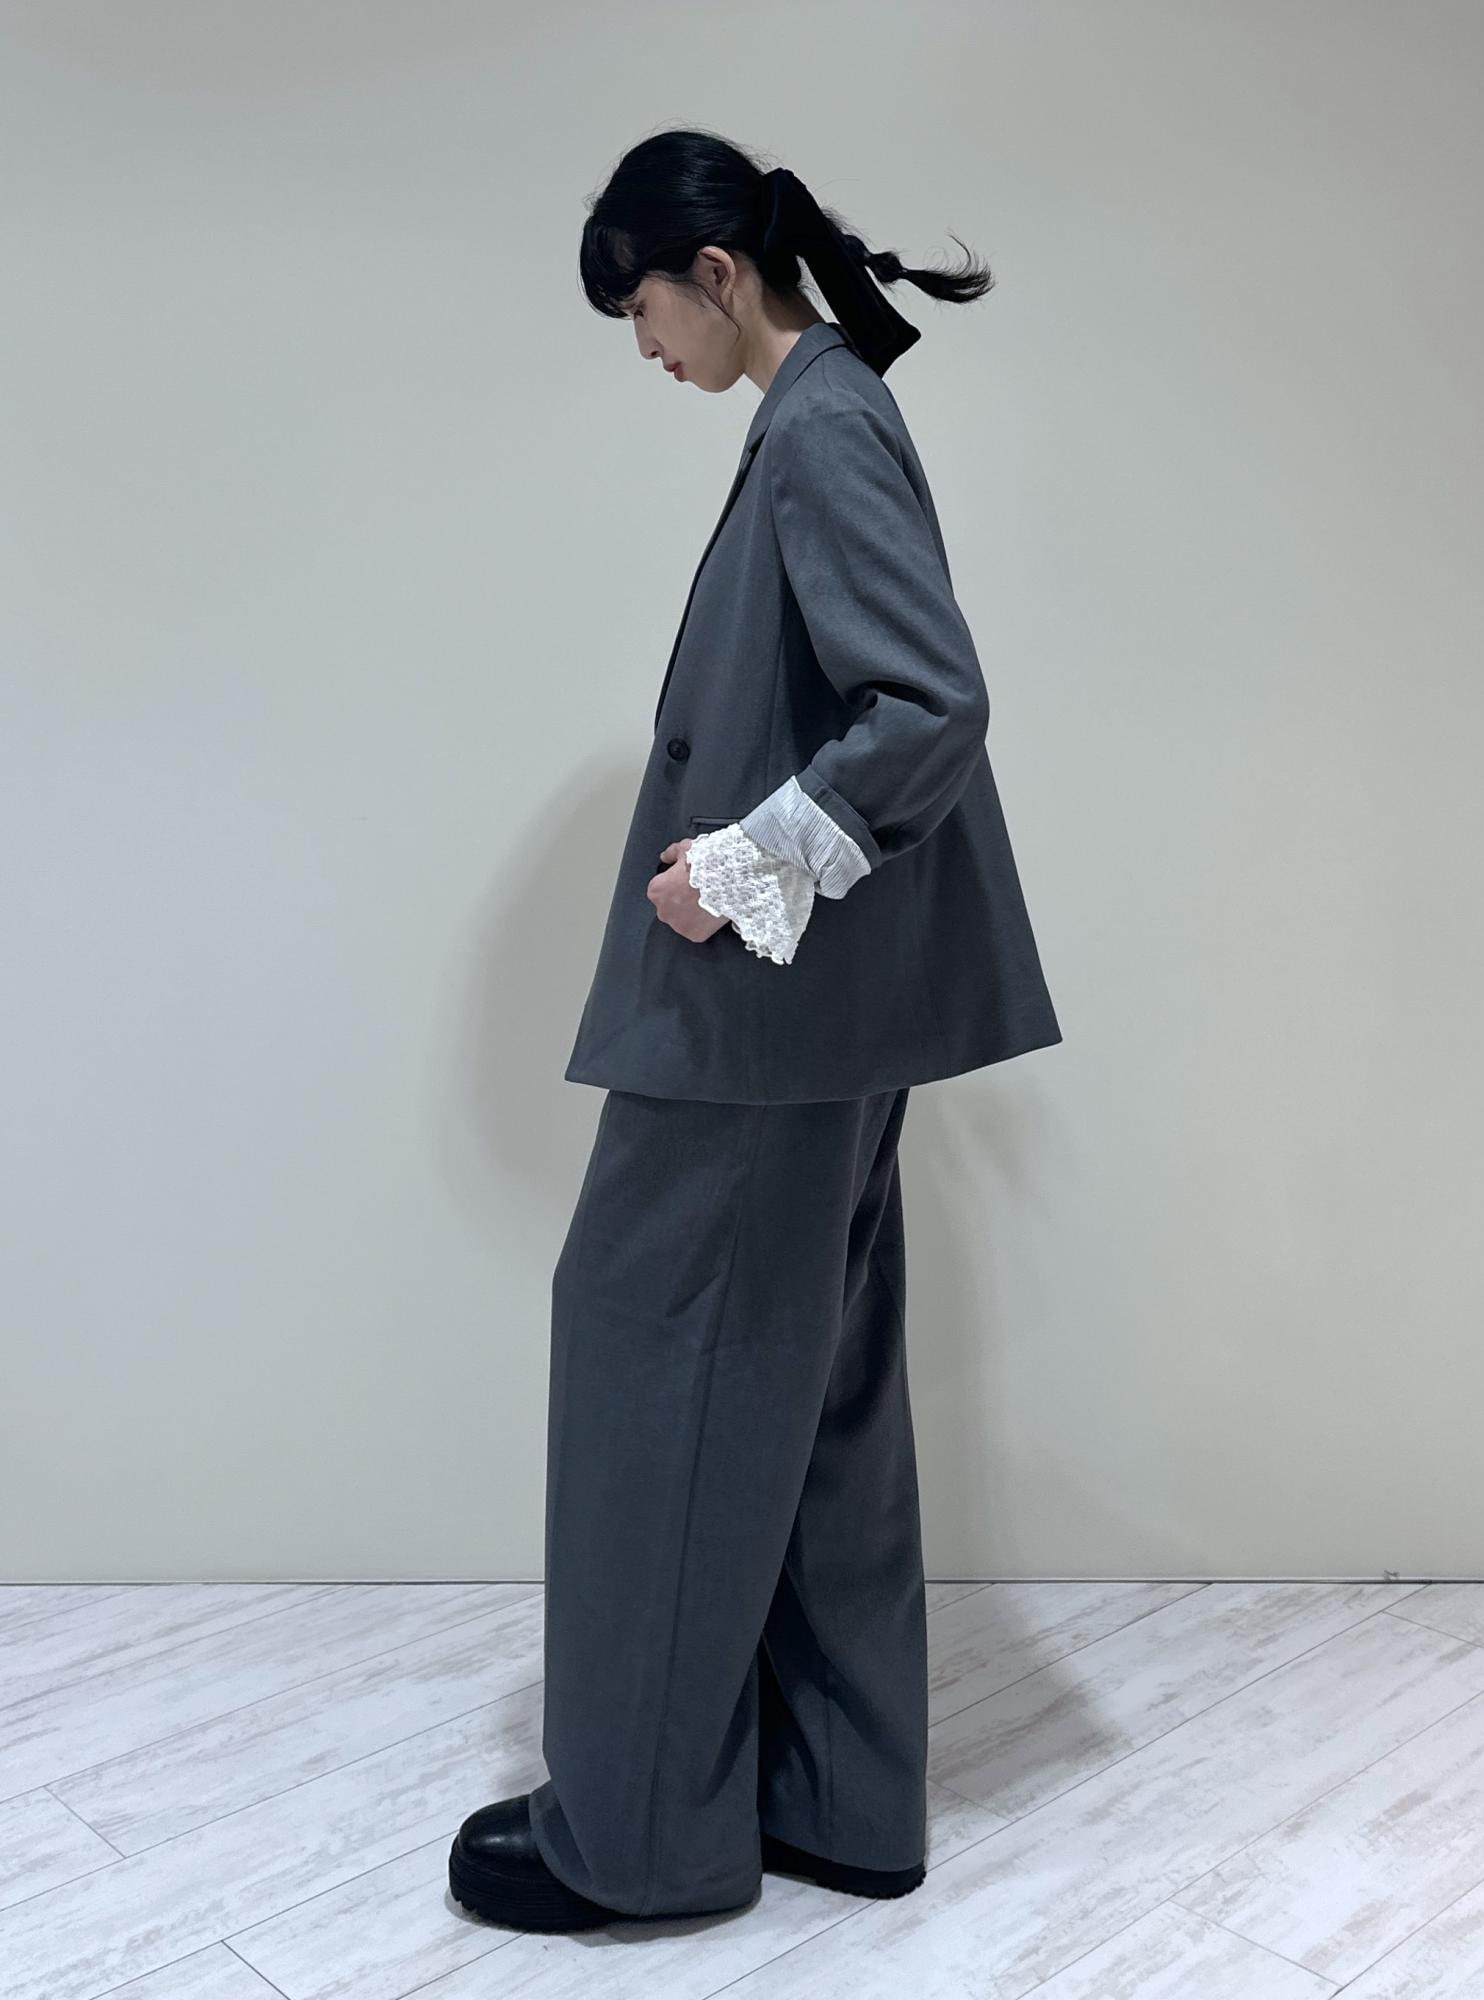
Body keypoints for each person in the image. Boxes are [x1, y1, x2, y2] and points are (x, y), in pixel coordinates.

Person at [448, 127, 1063, 1933]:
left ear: (717, 275)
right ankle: (839, 1796)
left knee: (655, 1357)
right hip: (817, 1031)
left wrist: (741, 867)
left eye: (643, 308)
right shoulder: (827, 411)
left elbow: (927, 701)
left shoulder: (821, 424)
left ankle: (640, 1839)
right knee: (819, 1393)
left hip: (759, 1025)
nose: (643, 347)